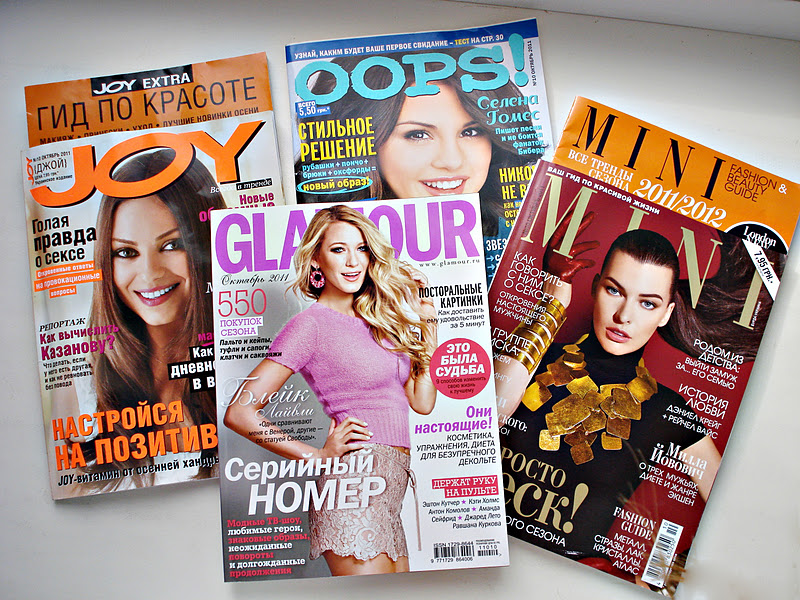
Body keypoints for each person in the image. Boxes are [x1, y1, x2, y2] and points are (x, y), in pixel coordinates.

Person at [495, 221, 725, 576]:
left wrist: (660, 576)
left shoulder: (667, 410)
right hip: (480, 553)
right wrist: (552, 303)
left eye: (647, 303)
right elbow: (484, 419)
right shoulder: (535, 356)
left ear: (665, 314)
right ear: (595, 286)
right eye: (614, 290)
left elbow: (732, 514)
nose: (624, 316)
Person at [224, 205, 438, 576]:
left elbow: (422, 402)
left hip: (389, 493)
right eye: (339, 250)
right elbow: (239, 412)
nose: (353, 261)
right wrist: (317, 455)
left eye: (362, 249)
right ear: (316, 261)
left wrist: (428, 321)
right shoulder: (309, 326)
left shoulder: (379, 322)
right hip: (352, 487)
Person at [63, 149, 225, 491]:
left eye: (172, 245)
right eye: (126, 252)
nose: (150, 274)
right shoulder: (86, 375)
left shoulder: (253, 354)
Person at [295, 48, 542, 238]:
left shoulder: (521, 234)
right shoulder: (318, 239)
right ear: (367, 145)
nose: (451, 161)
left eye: (471, 132)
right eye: (418, 135)